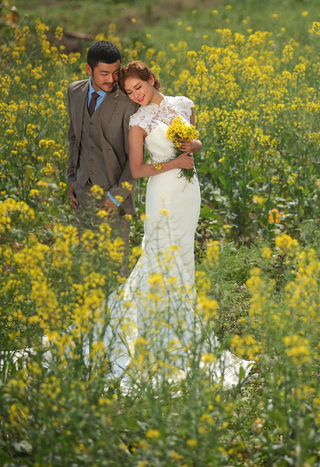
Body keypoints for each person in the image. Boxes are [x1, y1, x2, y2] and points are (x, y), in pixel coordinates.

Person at [88, 60, 253, 390]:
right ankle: (158, 340)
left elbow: (197, 143)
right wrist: (176, 162)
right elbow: (137, 170)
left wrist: (193, 148)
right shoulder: (138, 122)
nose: (136, 95)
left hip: (188, 190)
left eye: (139, 87)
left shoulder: (183, 105)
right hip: (162, 193)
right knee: (160, 258)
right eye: (129, 92)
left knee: (183, 259)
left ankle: (183, 333)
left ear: (151, 79)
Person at [66, 41, 139, 275]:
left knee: (116, 269)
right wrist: (71, 179)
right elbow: (73, 138)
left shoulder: (128, 101)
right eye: (104, 73)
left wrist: (118, 195)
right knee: (85, 266)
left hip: (113, 195)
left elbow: (135, 156)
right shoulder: (74, 91)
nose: (111, 79)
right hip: (82, 191)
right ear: (89, 70)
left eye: (116, 72)